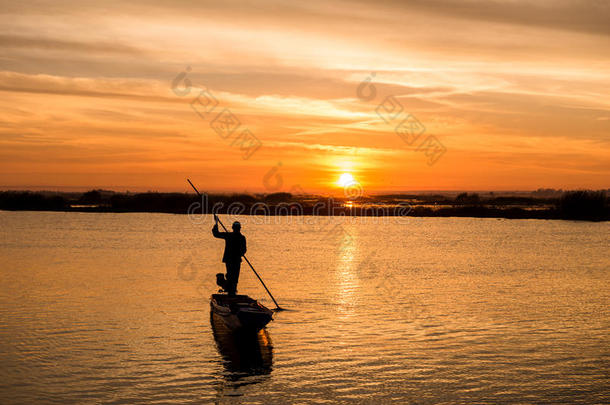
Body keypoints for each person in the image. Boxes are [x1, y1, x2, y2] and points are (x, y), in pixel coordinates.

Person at [212, 215, 247, 295]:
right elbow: (216, 234)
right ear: (239, 228)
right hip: (233, 260)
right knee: (232, 277)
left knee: (234, 278)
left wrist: (216, 224)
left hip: (233, 260)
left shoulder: (233, 236)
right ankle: (229, 289)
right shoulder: (237, 237)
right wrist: (216, 223)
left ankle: (231, 290)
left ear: (233, 228)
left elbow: (244, 250)